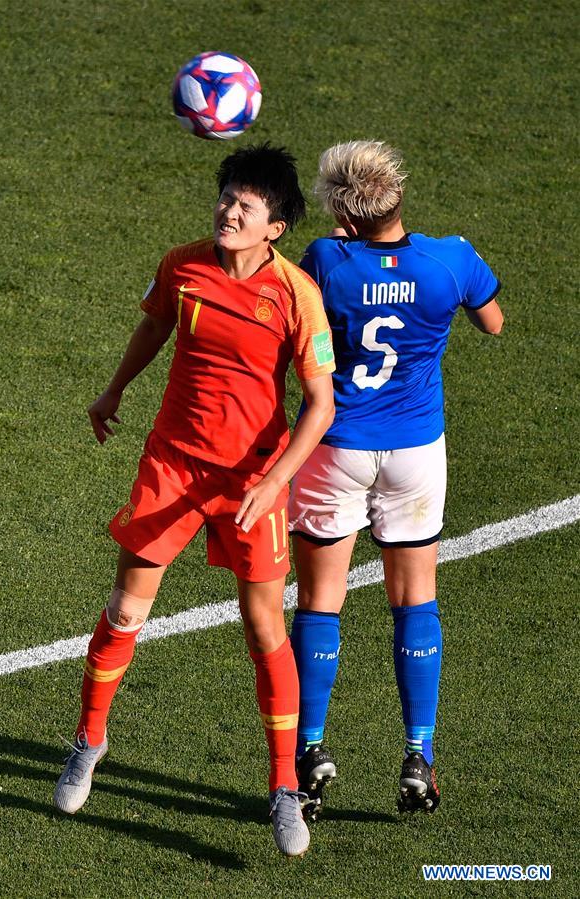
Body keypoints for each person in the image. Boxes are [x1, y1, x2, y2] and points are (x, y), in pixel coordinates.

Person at [53, 144, 335, 858]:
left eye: (245, 204)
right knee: (125, 609)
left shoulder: (296, 294)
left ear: (273, 225)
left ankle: (281, 787)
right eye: (225, 198)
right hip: (172, 466)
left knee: (264, 625)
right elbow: (154, 325)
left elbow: (320, 403)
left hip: (251, 480)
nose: (228, 211)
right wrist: (113, 389)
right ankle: (89, 739)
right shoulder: (182, 265)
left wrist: (275, 481)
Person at [287, 140, 503, 819]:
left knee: (320, 603)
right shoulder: (450, 259)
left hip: (335, 446)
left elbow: (296, 329)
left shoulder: (325, 261)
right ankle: (417, 754)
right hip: (415, 451)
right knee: (414, 602)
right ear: (397, 197)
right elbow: (492, 322)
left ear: (343, 215)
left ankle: (310, 752)